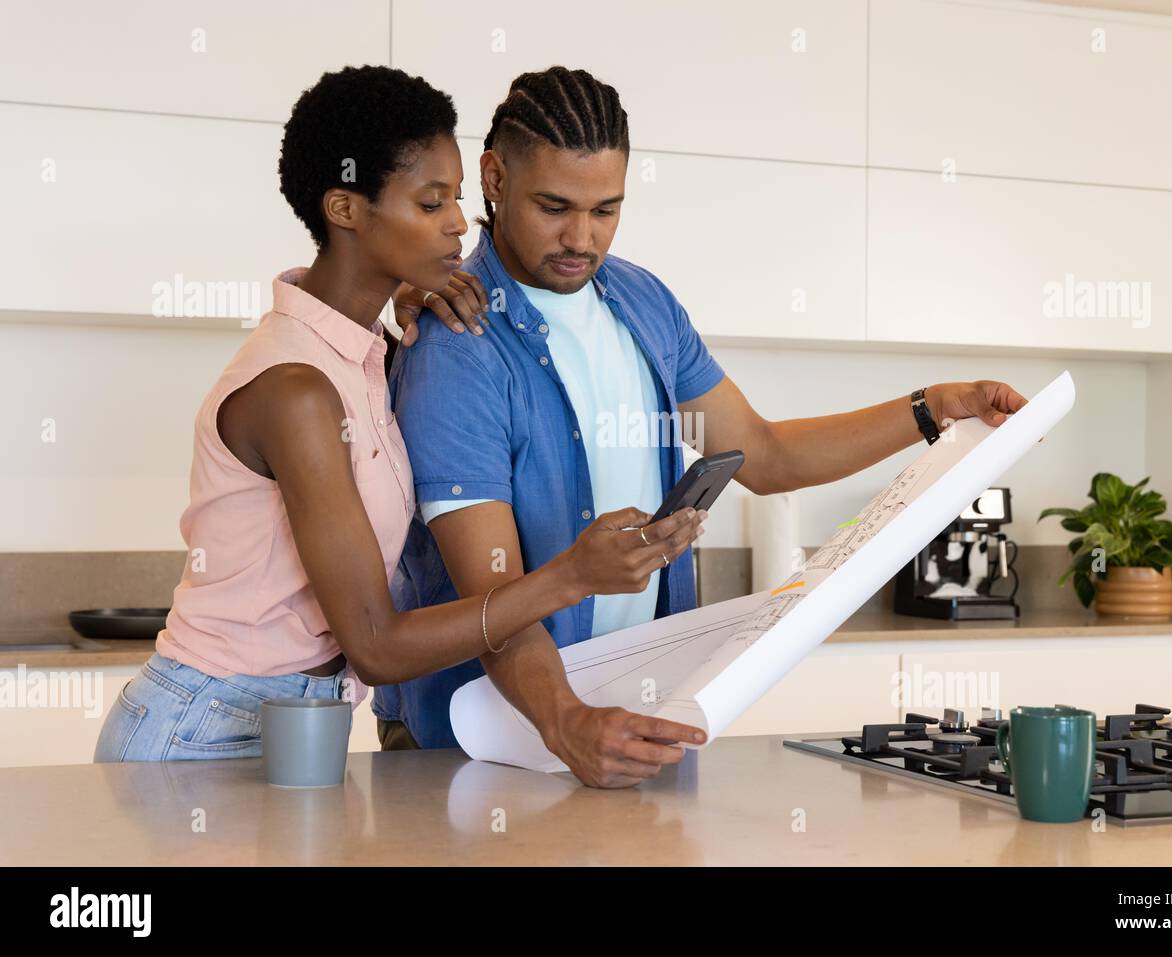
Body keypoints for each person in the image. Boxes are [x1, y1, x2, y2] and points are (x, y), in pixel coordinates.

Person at [378, 66, 1028, 788]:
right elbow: (490, 597)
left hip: (626, 721)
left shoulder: (642, 302)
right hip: (486, 747)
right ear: (493, 178)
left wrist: (931, 409)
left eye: (606, 210)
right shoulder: (456, 344)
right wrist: (565, 721)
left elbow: (764, 452)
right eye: (554, 206)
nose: (581, 238)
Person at [93, 65, 705, 763]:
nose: (457, 224)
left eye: (456, 199)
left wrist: (403, 313)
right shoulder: (295, 389)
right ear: (347, 209)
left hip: (298, 725)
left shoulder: (371, 356)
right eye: (429, 204)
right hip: (198, 730)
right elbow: (377, 646)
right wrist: (570, 576)